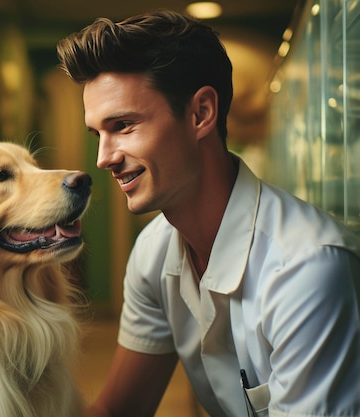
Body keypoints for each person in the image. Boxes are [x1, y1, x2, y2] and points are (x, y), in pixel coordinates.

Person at [56, 9, 360, 417]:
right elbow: (119, 410)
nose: (103, 158)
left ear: (200, 114)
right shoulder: (153, 252)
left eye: (123, 126)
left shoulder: (306, 267)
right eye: (98, 133)